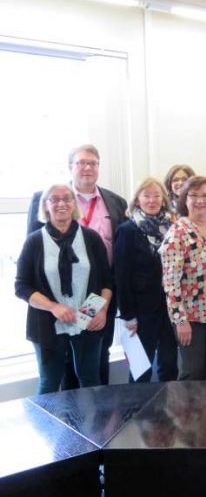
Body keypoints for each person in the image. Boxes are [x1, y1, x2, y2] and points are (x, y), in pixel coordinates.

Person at [28, 144, 127, 387]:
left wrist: (100, 308)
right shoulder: (45, 199)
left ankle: (97, 421)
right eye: (81, 162)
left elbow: (111, 268)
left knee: (93, 360)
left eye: (93, 163)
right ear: (70, 167)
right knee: (58, 372)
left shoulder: (115, 202)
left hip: (96, 296)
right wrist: (52, 306)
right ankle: (66, 421)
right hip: (54, 304)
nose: (87, 168)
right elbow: (31, 267)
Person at [16, 185, 112, 394]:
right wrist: (53, 307)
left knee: (90, 379)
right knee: (49, 382)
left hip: (87, 314)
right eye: (54, 199)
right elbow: (21, 286)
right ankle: (47, 427)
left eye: (67, 198)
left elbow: (106, 280)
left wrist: (101, 310)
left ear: (74, 204)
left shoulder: (91, 238)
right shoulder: (34, 241)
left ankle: (94, 428)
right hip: (48, 321)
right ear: (45, 206)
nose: (61, 203)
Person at [160, 176, 206, 380]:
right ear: (184, 199)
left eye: (205, 196)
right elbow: (170, 282)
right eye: (194, 195)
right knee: (193, 373)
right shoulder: (178, 232)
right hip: (191, 317)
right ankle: (188, 413)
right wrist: (180, 321)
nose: (200, 200)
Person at [114, 178, 178, 383]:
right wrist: (128, 316)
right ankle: (137, 413)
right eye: (146, 195)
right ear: (137, 200)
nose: (152, 200)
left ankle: (167, 412)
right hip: (141, 311)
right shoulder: (127, 230)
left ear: (164, 199)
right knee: (141, 369)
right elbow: (122, 276)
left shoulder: (173, 227)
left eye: (156, 195)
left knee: (169, 365)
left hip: (169, 307)